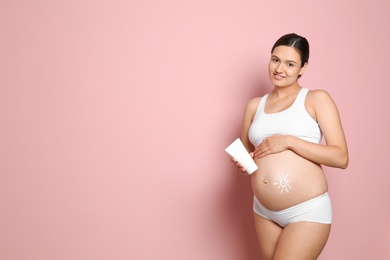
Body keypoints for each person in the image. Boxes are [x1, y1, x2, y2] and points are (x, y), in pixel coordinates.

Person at [231, 33, 349, 260]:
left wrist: (289, 141)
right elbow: (249, 154)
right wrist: (243, 163)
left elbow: (341, 157)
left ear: (303, 68)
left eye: (290, 64)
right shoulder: (255, 105)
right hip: (263, 211)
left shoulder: (316, 99)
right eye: (275, 60)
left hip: (307, 210)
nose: (279, 69)